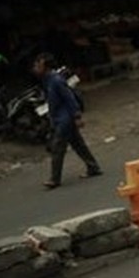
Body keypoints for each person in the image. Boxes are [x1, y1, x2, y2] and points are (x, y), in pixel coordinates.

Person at [35, 53, 101, 189]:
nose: (36, 67)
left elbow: (69, 98)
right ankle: (93, 167)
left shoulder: (56, 80)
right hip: (60, 118)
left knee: (57, 148)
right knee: (78, 145)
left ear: (45, 66)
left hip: (64, 120)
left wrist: (77, 116)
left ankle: (55, 179)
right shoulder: (47, 80)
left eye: (38, 64)